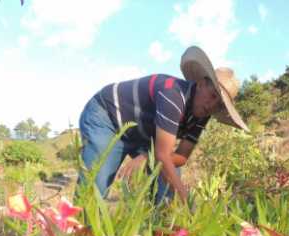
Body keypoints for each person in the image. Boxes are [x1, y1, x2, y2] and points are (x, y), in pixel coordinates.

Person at [77, 46, 249, 203]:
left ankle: (158, 230)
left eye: (218, 105)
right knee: (94, 189)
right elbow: (163, 155)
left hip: (144, 135)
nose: (211, 106)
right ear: (201, 84)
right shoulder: (173, 94)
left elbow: (181, 157)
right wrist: (186, 200)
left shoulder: (203, 114)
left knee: (166, 184)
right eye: (212, 96)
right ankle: (77, 231)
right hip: (108, 117)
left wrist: (146, 156)